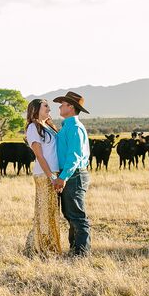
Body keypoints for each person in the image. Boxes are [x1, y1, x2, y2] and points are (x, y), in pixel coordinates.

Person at [52, 91, 92, 257]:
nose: (60, 107)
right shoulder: (68, 126)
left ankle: (81, 253)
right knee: (70, 215)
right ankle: (75, 249)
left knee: (77, 215)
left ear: (71, 107)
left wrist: (63, 177)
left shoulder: (74, 128)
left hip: (74, 174)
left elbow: (74, 156)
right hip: (71, 174)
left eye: (63, 104)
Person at [23, 98, 63, 256]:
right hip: (44, 174)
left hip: (53, 173)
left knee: (52, 211)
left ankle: (48, 246)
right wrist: (51, 176)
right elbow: (39, 155)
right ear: (36, 109)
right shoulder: (33, 127)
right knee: (45, 212)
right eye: (46, 106)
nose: (49, 109)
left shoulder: (47, 126)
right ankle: (40, 247)